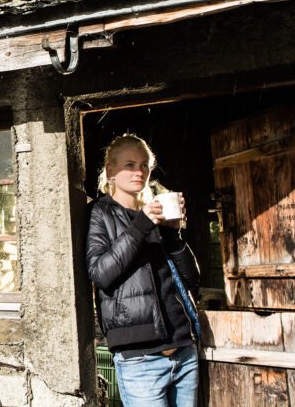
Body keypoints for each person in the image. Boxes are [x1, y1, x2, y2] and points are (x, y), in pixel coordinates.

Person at [86, 134, 201, 407]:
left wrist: (173, 234)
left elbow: (192, 280)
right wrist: (142, 224)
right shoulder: (99, 213)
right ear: (111, 170)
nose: (138, 172)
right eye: (129, 164)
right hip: (140, 359)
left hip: (184, 351)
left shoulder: (156, 216)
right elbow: (100, 274)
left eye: (144, 165)